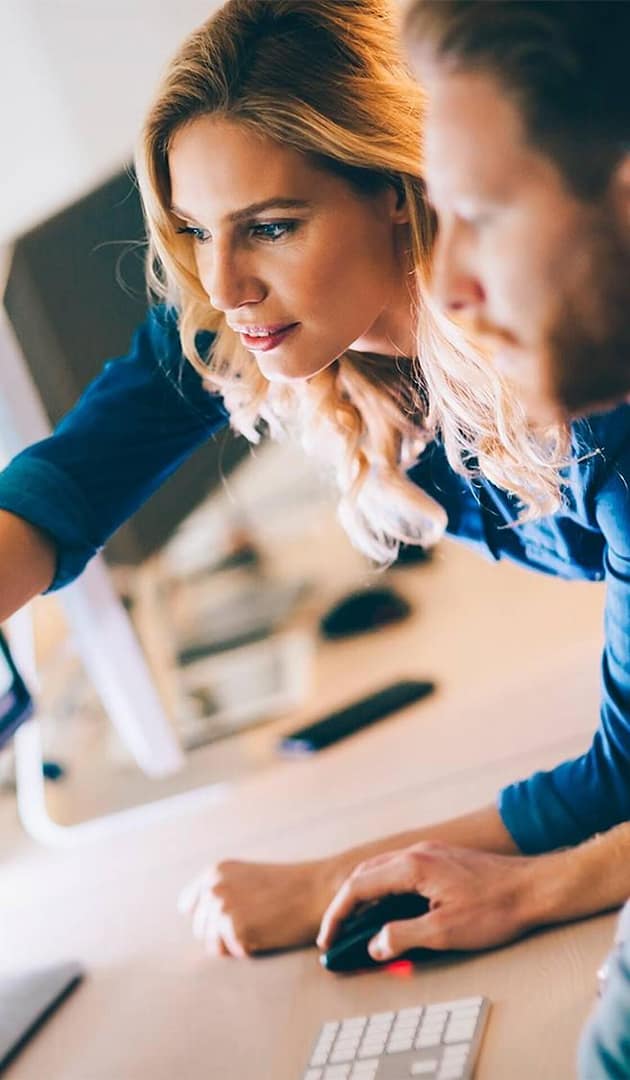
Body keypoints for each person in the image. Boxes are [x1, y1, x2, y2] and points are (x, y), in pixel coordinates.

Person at [1, 0, 630, 976]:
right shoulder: (264, 321)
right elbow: (65, 484)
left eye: (272, 227)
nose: (223, 286)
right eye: (194, 230)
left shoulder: (586, 371)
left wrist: (327, 882)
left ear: (396, 188)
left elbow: (623, 781)